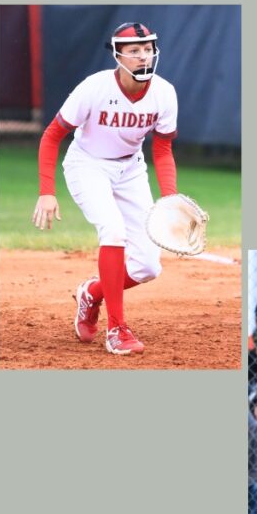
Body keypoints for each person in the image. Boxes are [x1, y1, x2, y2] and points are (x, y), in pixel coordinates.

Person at [34, 22, 177, 355]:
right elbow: (52, 135)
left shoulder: (164, 92)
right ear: (118, 55)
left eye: (148, 49)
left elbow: (163, 148)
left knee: (147, 267)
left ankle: (92, 293)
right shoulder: (94, 88)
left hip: (130, 168)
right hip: (88, 165)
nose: (144, 56)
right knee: (112, 230)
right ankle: (117, 330)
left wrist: (168, 197)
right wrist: (46, 190)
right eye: (135, 50)